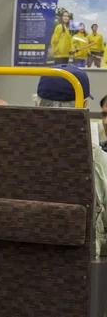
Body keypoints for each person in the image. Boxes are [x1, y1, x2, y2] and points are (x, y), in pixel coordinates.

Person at [34, 65, 107, 258]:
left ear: (36, 104)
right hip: (80, 271)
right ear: (82, 105)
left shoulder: (11, 152)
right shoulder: (97, 160)